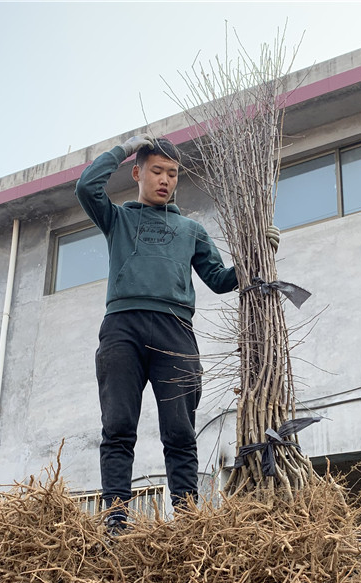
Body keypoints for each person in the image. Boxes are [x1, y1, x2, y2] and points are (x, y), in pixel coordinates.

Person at [76, 134, 262, 532]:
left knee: (179, 431)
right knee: (118, 427)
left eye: (172, 174)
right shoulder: (118, 219)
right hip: (122, 328)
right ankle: (115, 521)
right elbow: (85, 186)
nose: (165, 180)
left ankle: (189, 522)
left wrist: (256, 256)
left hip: (175, 331)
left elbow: (219, 278)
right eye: (156, 171)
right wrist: (125, 146)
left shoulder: (190, 229)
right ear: (138, 172)